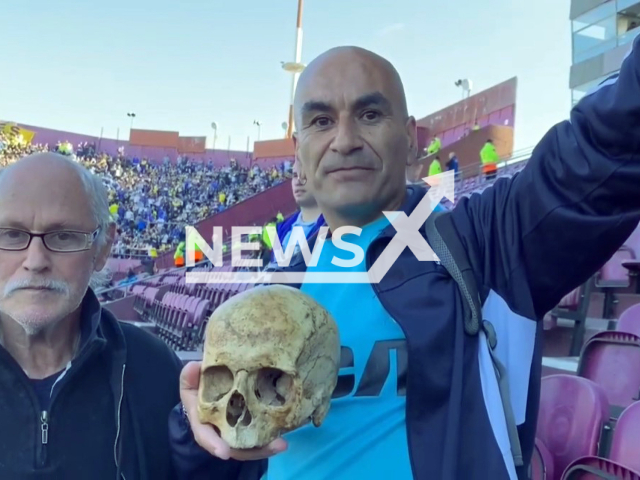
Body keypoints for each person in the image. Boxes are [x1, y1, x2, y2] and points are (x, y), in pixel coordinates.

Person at [174, 40, 640, 480]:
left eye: (369, 113)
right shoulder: (285, 282)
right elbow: (215, 453)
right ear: (299, 151)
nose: (344, 140)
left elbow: (606, 147)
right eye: (320, 122)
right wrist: (195, 425)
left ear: (411, 139)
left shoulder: (485, 244)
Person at [0, 152, 184, 479]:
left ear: (102, 248)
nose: (35, 260)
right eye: (11, 235)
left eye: (63, 236)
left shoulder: (156, 369)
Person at [272, 160, 324, 258]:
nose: (298, 182)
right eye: (295, 175)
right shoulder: (282, 228)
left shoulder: (335, 226)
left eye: (305, 175)